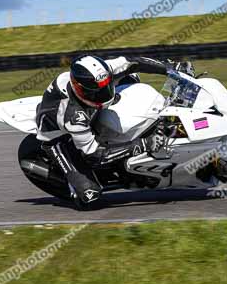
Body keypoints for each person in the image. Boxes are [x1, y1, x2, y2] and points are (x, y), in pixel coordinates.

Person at [36, 55, 190, 207]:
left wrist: (171, 68)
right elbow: (95, 155)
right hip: (58, 136)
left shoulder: (101, 74)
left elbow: (133, 61)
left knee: (131, 75)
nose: (104, 94)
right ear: (81, 90)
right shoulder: (74, 117)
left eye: (106, 88)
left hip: (89, 110)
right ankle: (73, 184)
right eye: (97, 92)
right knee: (89, 195)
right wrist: (142, 144)